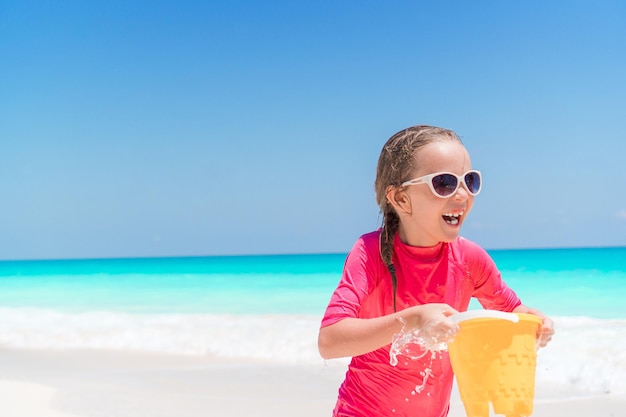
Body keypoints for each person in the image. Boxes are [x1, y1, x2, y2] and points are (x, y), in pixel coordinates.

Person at [318, 125, 554, 417]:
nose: (462, 194)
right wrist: (414, 319)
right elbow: (329, 340)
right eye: (443, 183)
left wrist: (533, 323)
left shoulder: (470, 259)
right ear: (401, 199)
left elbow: (512, 314)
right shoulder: (370, 252)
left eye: (470, 181)